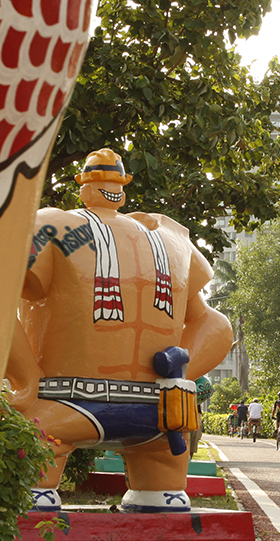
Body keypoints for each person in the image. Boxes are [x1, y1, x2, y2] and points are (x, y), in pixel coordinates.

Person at [13, 149, 233, 512]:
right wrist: (178, 378)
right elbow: (216, 325)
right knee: (163, 497)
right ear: (122, 185)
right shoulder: (173, 240)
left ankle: (39, 494)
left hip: (62, 407)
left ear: (83, 184)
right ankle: (162, 492)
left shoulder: (51, 226)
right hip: (160, 419)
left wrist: (25, 380)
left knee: (34, 491)